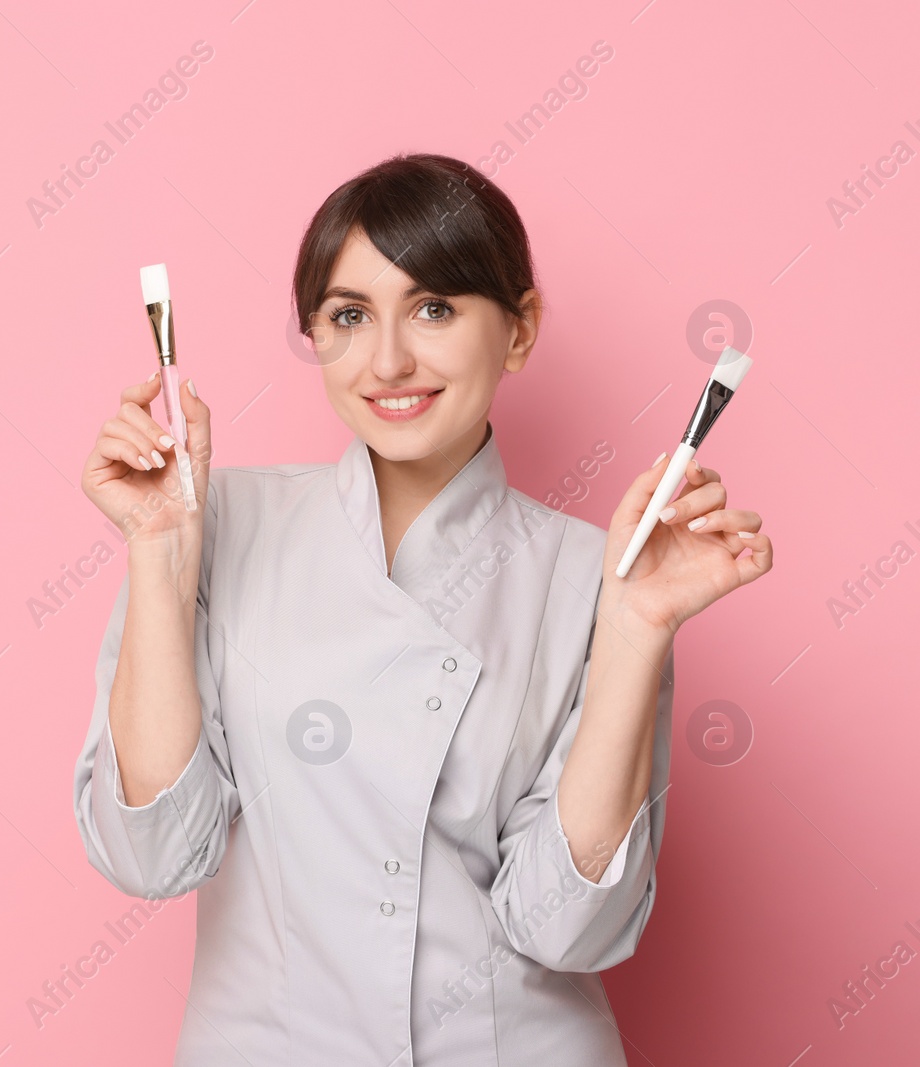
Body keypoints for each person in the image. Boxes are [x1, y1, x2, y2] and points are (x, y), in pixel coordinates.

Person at [72, 152, 772, 1065]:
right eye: (349, 316)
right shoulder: (212, 521)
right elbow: (154, 855)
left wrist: (637, 630)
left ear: (519, 332)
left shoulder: (599, 574)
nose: (390, 358)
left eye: (434, 307)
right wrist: (160, 550)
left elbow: (566, 928)